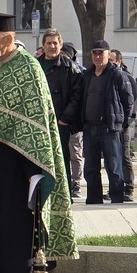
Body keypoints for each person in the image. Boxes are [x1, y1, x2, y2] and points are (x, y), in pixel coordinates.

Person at [0, 13, 78, 273]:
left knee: (18, 215)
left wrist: (33, 167)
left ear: (8, 38)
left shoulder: (28, 67)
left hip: (20, 159)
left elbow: (36, 117)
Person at [80, 39, 135, 204]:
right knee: (90, 168)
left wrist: (121, 124)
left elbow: (129, 101)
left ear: (108, 54)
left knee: (114, 167)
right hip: (89, 128)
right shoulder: (87, 75)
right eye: (95, 53)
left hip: (110, 129)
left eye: (101, 53)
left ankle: (117, 199)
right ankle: (94, 200)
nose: (97, 56)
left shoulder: (116, 74)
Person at [36, 29, 83, 200]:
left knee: (61, 160)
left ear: (60, 45)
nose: (52, 46)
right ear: (43, 45)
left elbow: (77, 96)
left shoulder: (70, 68)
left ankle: (63, 196)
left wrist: (64, 119)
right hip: (38, 123)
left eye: (55, 43)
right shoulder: (35, 65)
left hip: (60, 123)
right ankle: (41, 196)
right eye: (48, 43)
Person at [109, 49, 136, 201]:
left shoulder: (127, 78)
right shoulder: (107, 76)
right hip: (111, 125)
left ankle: (129, 187)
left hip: (123, 125)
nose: (110, 63)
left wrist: (125, 122)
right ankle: (115, 187)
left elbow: (132, 103)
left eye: (112, 60)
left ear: (119, 62)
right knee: (113, 157)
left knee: (124, 156)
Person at [61, 41, 84, 198]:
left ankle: (76, 182)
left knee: (75, 153)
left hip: (73, 122)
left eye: (65, 55)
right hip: (58, 120)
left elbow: (78, 98)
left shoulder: (78, 72)